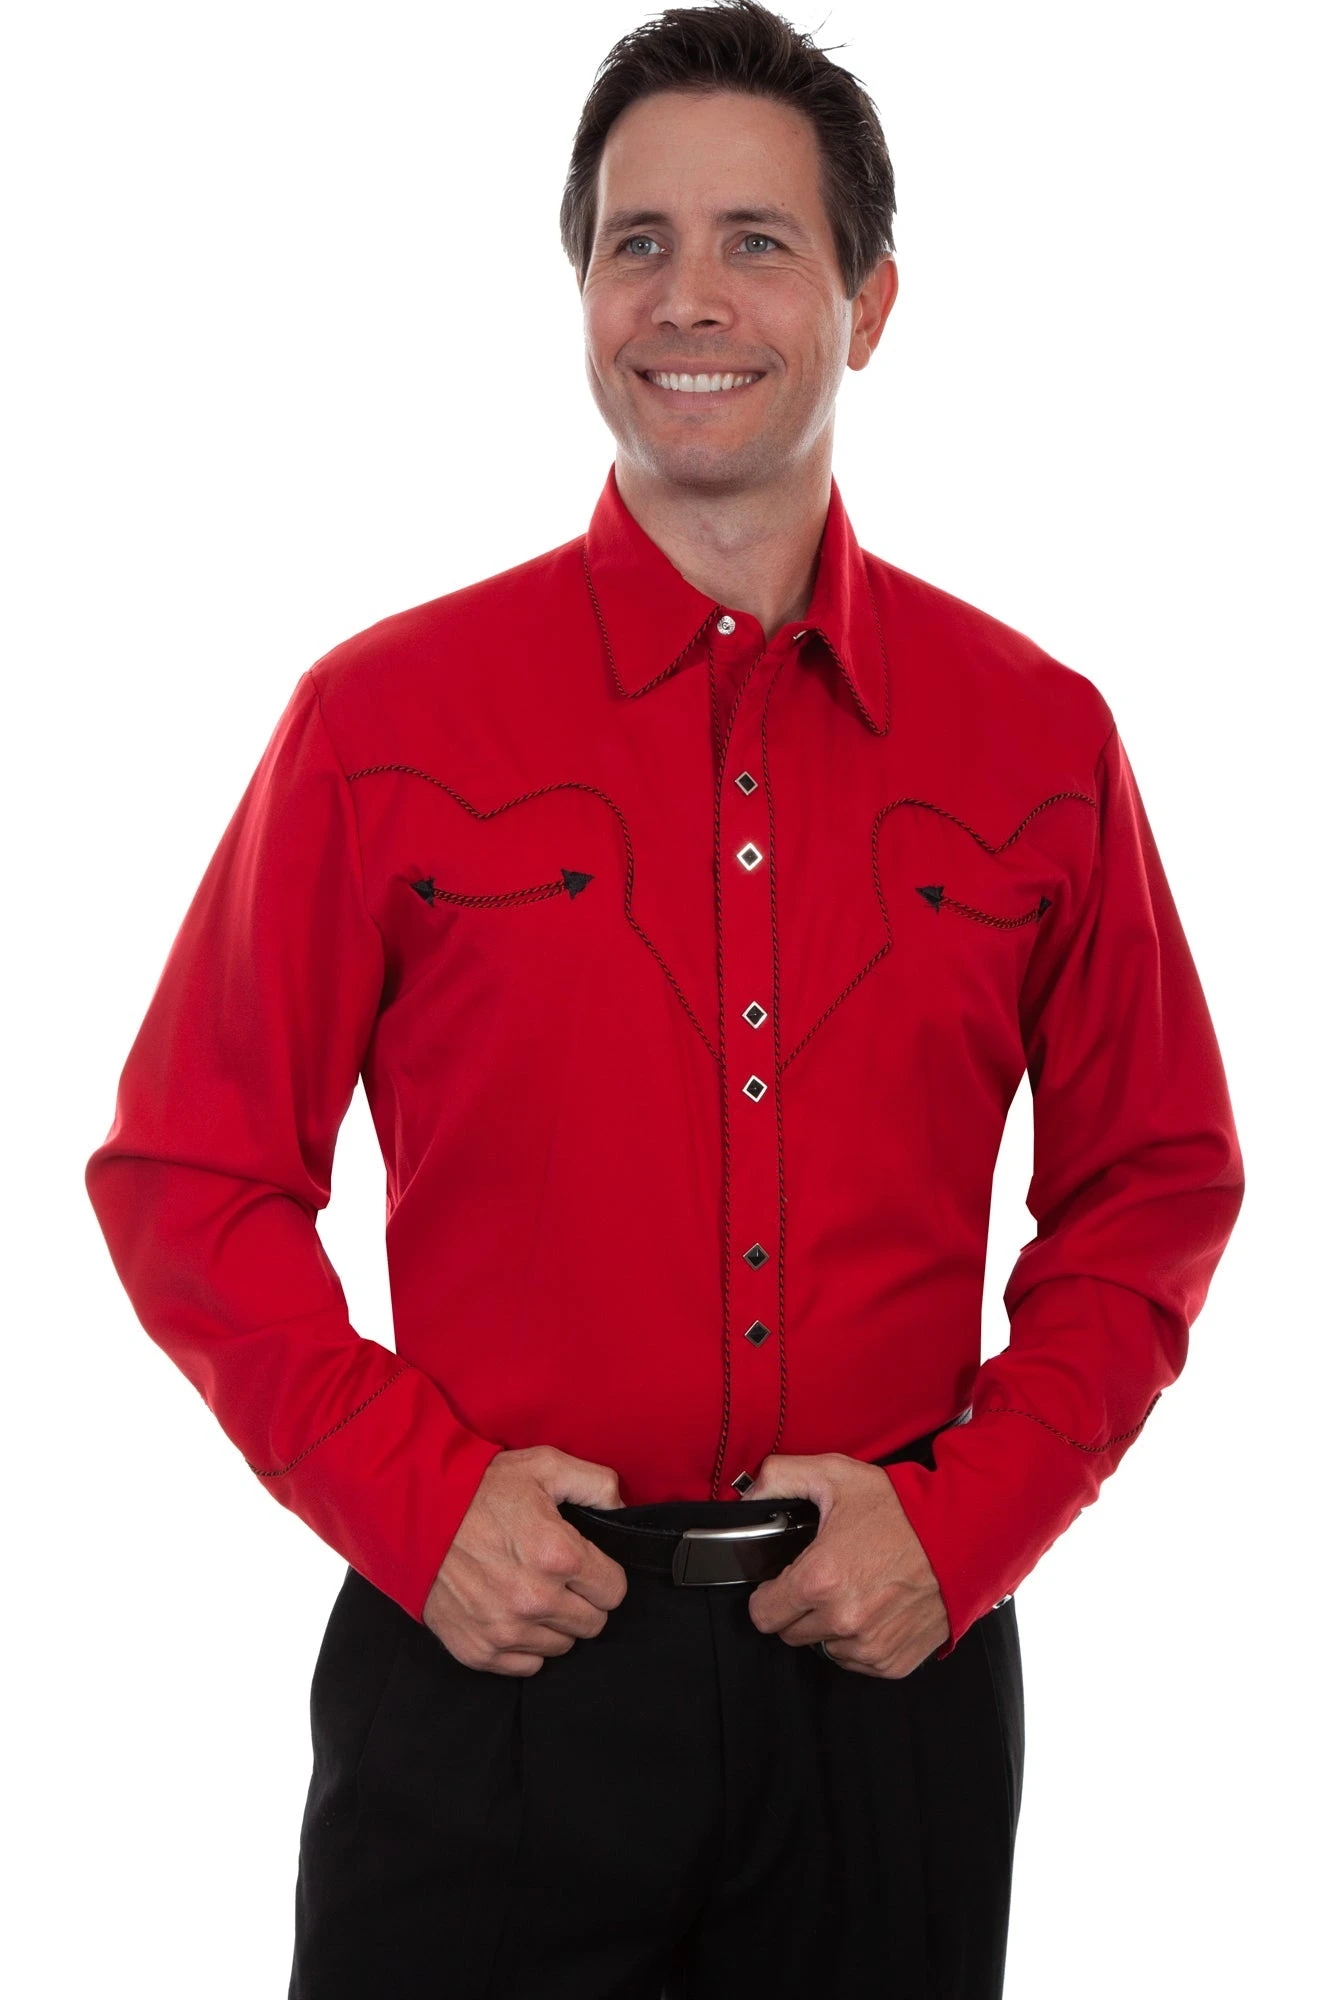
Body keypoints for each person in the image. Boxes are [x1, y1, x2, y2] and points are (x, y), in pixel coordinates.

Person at [83, 3, 1244, 1994]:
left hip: (885, 1686)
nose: (688, 297)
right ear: (583, 297)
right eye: (639, 242)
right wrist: (413, 1499)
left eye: (756, 242)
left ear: (870, 304)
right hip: (493, 1670)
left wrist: (968, 1524)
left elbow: (1156, 1182)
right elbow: (187, 1175)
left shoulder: (1040, 737)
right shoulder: (380, 721)